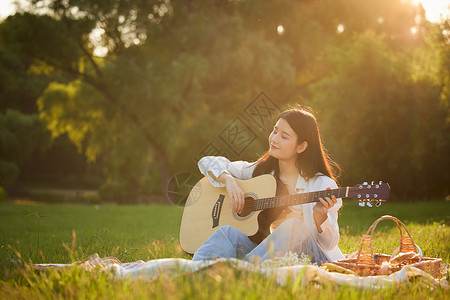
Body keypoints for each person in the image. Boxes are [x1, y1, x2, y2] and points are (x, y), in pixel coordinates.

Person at [192, 106, 345, 265]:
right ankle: (193, 272)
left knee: (293, 226)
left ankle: (240, 272)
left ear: (301, 146)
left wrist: (320, 219)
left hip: (312, 257)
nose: (274, 139)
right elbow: (207, 162)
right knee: (226, 233)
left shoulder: (322, 184)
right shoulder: (262, 173)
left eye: (284, 136)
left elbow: (329, 244)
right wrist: (228, 181)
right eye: (275, 131)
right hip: (268, 253)